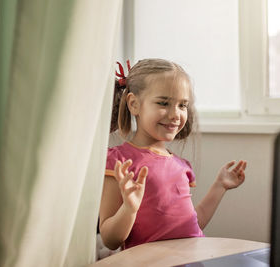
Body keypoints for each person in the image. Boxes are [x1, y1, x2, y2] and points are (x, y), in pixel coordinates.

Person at [99, 58, 247, 250]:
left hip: (192, 257)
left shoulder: (182, 166)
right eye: (163, 103)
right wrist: (129, 209)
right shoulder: (119, 162)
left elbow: (191, 224)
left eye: (182, 105)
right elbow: (110, 240)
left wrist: (220, 186)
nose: (175, 114)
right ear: (134, 104)